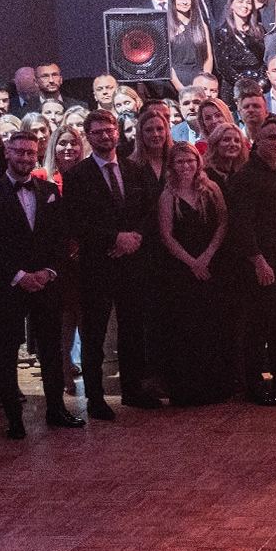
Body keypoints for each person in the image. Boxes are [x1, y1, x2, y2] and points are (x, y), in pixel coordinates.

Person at [0, 132, 82, 437]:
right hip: (9, 285)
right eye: (19, 152)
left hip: (45, 283)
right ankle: (14, 419)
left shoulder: (49, 191)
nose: (25, 158)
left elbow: (60, 238)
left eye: (30, 153)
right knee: (7, 352)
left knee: (51, 350)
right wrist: (19, 275)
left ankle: (56, 410)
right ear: (7, 153)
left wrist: (48, 272)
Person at [63, 109, 163, 419]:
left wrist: (135, 237)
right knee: (94, 334)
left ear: (118, 132)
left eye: (110, 130)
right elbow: (77, 221)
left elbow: (150, 211)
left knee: (132, 330)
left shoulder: (136, 169)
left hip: (133, 262)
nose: (105, 136)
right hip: (98, 264)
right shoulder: (77, 176)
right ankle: (95, 398)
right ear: (88, 137)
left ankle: (132, 390)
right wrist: (115, 238)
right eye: (98, 132)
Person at [223, 118, 276, 406]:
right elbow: (241, 225)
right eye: (272, 138)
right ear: (257, 140)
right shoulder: (245, 177)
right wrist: (258, 261)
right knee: (258, 325)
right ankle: (255, 382)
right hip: (260, 261)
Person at [156, 142, 235, 405]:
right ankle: (189, 390)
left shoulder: (211, 188)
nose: (186, 166)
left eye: (190, 160)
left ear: (198, 162)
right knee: (188, 330)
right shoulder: (168, 195)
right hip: (182, 271)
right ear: (172, 166)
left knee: (213, 326)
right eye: (180, 162)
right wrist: (192, 263)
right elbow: (166, 236)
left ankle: (217, 386)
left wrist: (207, 256)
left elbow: (223, 223)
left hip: (212, 265)